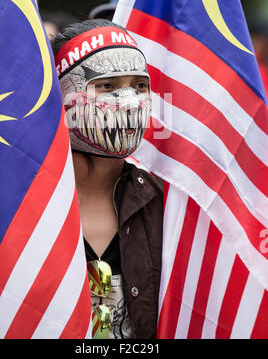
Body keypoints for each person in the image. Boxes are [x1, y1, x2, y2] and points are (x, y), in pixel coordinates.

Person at [51, 19, 163, 339]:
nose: (129, 103)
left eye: (139, 85)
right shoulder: (27, 203)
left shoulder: (163, 203)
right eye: (107, 86)